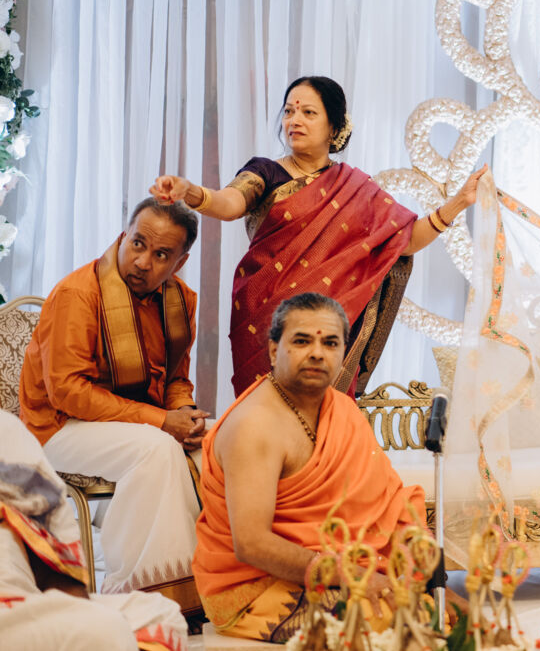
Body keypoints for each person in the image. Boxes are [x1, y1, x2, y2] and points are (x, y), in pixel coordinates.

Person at [149, 75, 486, 396]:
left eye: (308, 113)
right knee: (266, 416)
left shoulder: (356, 189)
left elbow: (406, 240)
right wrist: (190, 191)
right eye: (289, 112)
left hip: (328, 324)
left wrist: (459, 202)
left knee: (322, 419)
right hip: (266, 315)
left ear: (334, 128)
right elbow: (229, 204)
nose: (294, 120)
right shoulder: (265, 172)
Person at [193, 292, 447, 643]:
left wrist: (427, 581)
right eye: (301, 341)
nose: (317, 353)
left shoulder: (342, 410)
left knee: (443, 611)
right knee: (394, 623)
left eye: (330, 343)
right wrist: (354, 576)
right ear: (273, 350)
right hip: (254, 585)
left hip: (335, 569)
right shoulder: (254, 426)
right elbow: (251, 545)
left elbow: (388, 505)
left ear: (343, 354)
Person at [19, 199, 206, 605]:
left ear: (180, 262)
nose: (143, 262)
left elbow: (175, 379)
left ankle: (210, 584)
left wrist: (184, 413)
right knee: (157, 449)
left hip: (129, 424)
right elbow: (68, 391)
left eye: (161, 255)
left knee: (217, 447)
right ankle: (140, 593)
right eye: (138, 243)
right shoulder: (78, 293)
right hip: (59, 426)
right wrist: (162, 421)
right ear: (123, 236)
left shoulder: (180, 301)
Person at [0, 410, 189, 651]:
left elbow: (51, 523)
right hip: (10, 610)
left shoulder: (6, 429)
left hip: (23, 604)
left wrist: (182, 411)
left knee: (161, 614)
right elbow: (71, 393)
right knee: (108, 630)